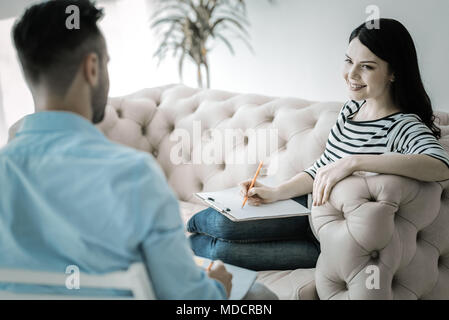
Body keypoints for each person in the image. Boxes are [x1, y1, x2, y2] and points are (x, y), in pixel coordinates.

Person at [0, 0, 277, 300]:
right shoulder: (134, 174)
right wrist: (218, 287)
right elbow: (188, 299)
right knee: (259, 297)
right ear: (92, 68)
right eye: (106, 62)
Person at [187, 18, 449, 271]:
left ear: (394, 73)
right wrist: (276, 192)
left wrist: (353, 162)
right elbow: (321, 169)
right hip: (307, 211)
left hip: (333, 240)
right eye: (349, 61)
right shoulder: (350, 111)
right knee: (216, 225)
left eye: (367, 66)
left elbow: (440, 165)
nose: (352, 74)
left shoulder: (402, 125)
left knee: (221, 244)